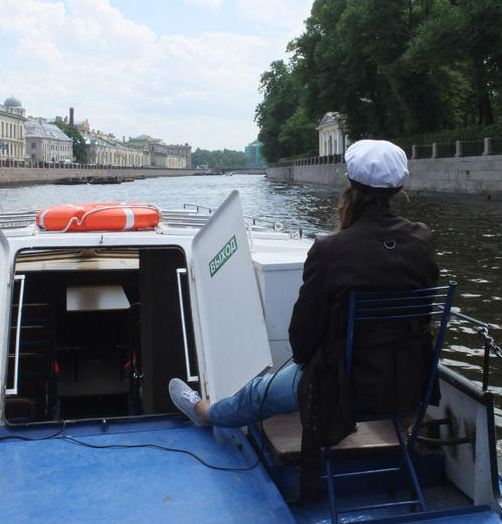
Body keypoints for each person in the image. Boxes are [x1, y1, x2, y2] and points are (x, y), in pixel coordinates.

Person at [170, 139, 440, 497]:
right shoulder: (422, 240)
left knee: (256, 393)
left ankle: (206, 412)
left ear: (350, 185)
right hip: (411, 380)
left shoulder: (331, 250)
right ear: (398, 188)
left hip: (345, 390)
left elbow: (301, 340)